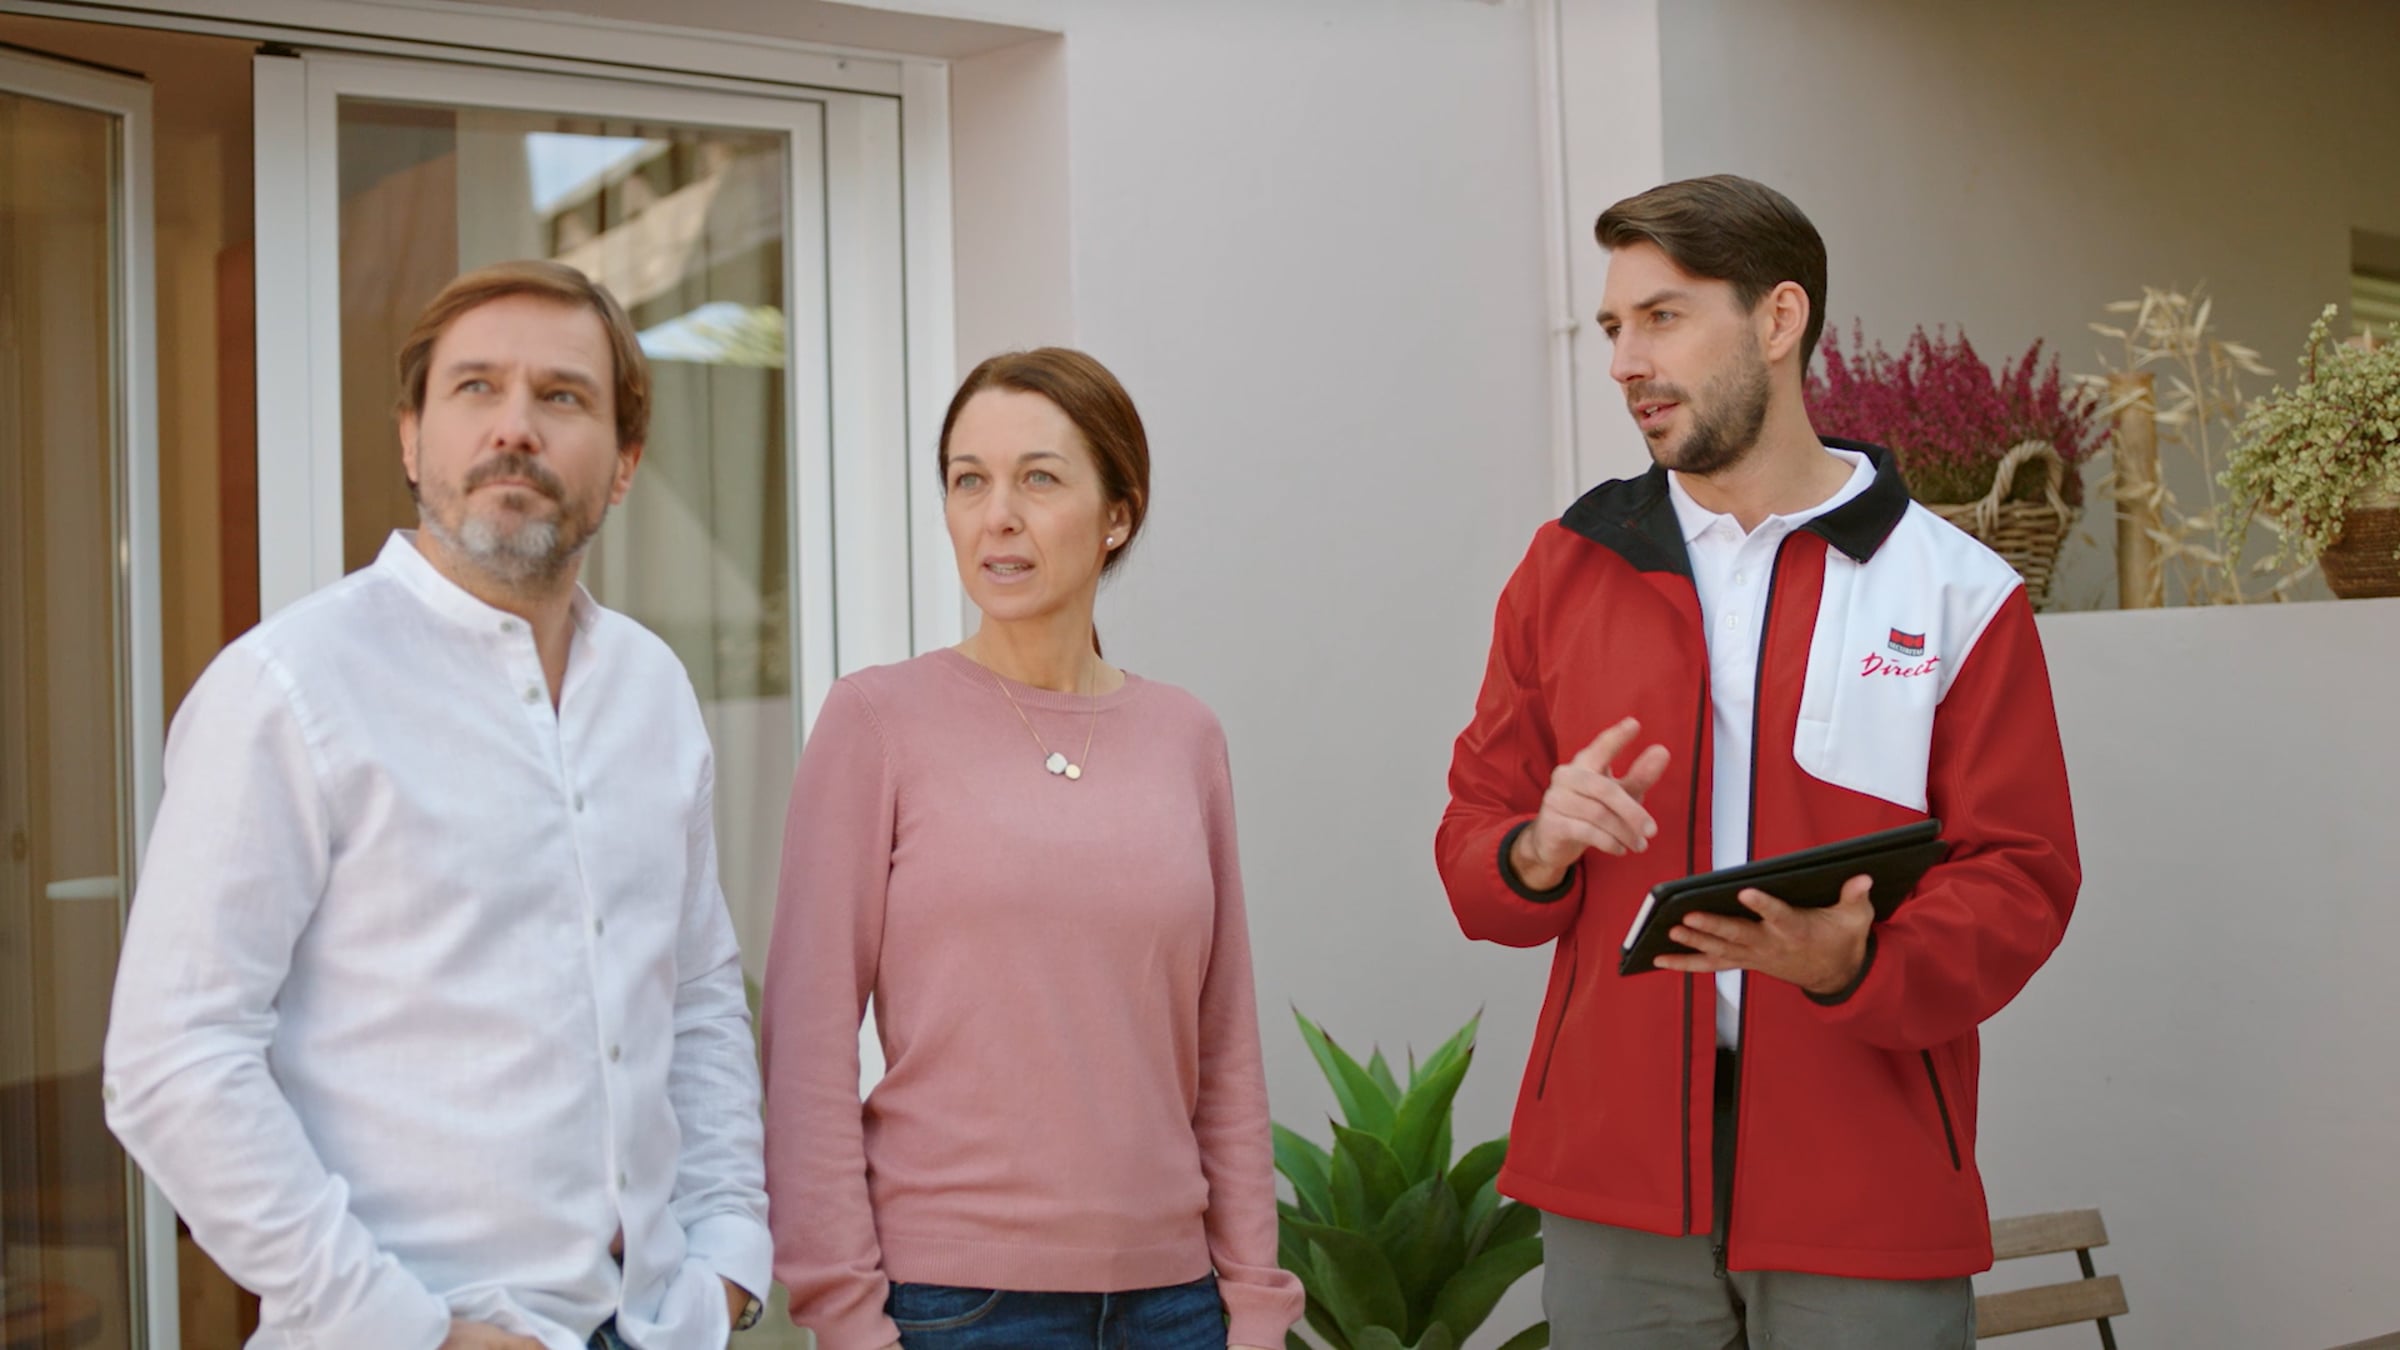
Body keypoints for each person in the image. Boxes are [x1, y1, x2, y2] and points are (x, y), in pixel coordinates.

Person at [1436, 175, 2081, 1347]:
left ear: (1779, 319)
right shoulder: (1565, 568)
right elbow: (1475, 841)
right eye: (1613, 327)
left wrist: (1860, 961)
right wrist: (1536, 847)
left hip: (1864, 1175)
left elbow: (2021, 876)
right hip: (1615, 1179)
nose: (1626, 361)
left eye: (1663, 318)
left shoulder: (1956, 589)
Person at [102, 260, 769, 1350]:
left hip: (653, 1323)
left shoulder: (652, 689)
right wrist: (409, 1329)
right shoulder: (289, 687)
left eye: (563, 395)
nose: (516, 427)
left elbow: (695, 995)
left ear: (625, 462)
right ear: (412, 439)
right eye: (475, 388)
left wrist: (729, 1251)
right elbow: (174, 1059)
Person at [761, 348, 1303, 1350]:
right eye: (969, 480)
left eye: (1039, 479)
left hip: (1178, 1304)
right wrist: (845, 1316)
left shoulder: (1185, 736)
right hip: (955, 1305)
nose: (996, 515)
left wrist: (1257, 1306)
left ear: (1117, 515)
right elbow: (806, 1045)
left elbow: (1224, 1047)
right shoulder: (876, 721)